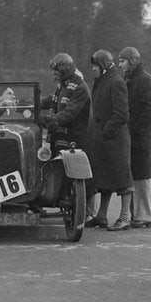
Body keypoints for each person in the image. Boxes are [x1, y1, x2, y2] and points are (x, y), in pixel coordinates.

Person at [40, 53, 97, 216]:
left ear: (64, 69)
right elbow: (54, 100)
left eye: (56, 70)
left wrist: (47, 120)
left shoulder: (80, 87)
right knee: (58, 172)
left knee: (76, 177)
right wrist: (36, 102)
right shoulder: (63, 85)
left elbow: (69, 113)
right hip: (60, 138)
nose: (54, 73)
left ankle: (84, 211)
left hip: (75, 140)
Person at [84, 49, 133, 231]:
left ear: (103, 66)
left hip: (116, 141)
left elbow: (121, 114)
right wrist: (98, 129)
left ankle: (125, 217)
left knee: (123, 181)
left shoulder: (116, 83)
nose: (93, 70)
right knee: (104, 180)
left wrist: (105, 131)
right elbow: (97, 113)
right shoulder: (102, 81)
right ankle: (101, 216)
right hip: (104, 140)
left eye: (95, 66)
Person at [118, 46, 151, 228]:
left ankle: (145, 216)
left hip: (143, 136)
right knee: (137, 175)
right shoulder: (133, 79)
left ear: (132, 61)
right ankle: (140, 215)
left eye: (122, 61)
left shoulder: (144, 79)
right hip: (137, 135)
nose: (120, 65)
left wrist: (134, 129)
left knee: (142, 176)